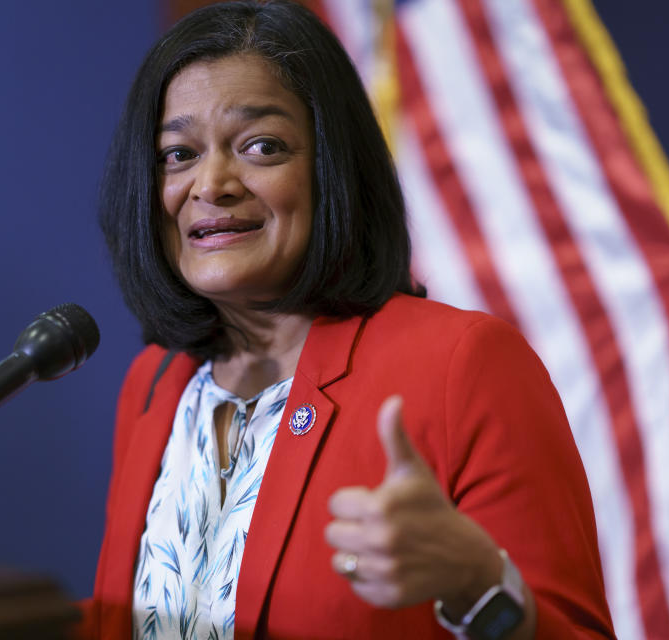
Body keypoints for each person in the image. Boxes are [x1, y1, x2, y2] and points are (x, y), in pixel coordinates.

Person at [84, 1, 616, 638]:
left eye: (261, 146)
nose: (212, 182)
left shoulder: (463, 366)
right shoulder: (156, 385)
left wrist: (479, 585)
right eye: (179, 153)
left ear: (332, 168)